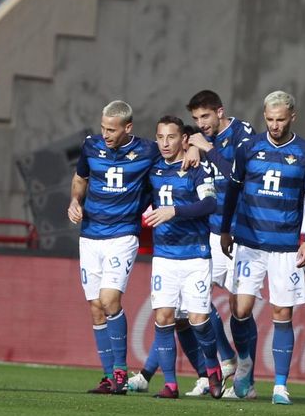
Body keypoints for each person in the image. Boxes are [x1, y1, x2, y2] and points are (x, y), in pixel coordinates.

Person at [219, 90, 305, 405]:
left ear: (292, 117)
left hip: (286, 246)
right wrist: (225, 229)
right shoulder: (248, 148)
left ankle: (280, 385)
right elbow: (232, 191)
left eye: (281, 120)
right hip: (249, 241)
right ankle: (245, 362)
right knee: (240, 309)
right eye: (270, 119)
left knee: (282, 313)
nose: (275, 125)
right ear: (264, 116)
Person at [68, 99, 156, 394]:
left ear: (127, 127)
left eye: (112, 130)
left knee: (109, 300)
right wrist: (75, 201)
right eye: (103, 128)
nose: (105, 134)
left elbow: (175, 155)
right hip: (90, 235)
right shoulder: (91, 146)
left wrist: (193, 148)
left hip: (122, 235)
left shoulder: (148, 150)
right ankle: (108, 377)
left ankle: (120, 370)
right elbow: (80, 178)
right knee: (95, 307)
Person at [135, 115, 224, 398]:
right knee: (163, 318)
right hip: (164, 256)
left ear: (184, 139)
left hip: (195, 255)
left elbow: (209, 204)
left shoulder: (197, 168)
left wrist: (174, 211)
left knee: (198, 320)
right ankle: (170, 385)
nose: (165, 143)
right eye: (160, 137)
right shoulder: (153, 169)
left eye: (171, 137)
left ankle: (213, 367)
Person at [181, 89, 253, 394]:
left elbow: (240, 177)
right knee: (194, 300)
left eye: (205, 116)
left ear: (220, 112)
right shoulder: (200, 139)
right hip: (211, 230)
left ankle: (246, 372)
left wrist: (206, 149)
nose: (201, 123)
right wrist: (193, 148)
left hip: (240, 231)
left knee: (240, 309)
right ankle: (226, 358)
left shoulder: (242, 134)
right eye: (196, 118)